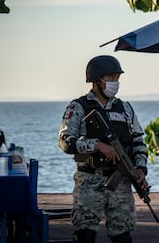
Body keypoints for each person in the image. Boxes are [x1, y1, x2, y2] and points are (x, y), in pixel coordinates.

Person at [58, 55, 148, 243]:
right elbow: (66, 142)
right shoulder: (78, 107)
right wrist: (97, 146)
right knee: (85, 234)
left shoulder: (125, 109)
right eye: (110, 78)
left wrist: (140, 169)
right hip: (89, 180)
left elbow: (138, 142)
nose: (115, 82)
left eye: (117, 78)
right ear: (96, 81)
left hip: (120, 181)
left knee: (122, 235)